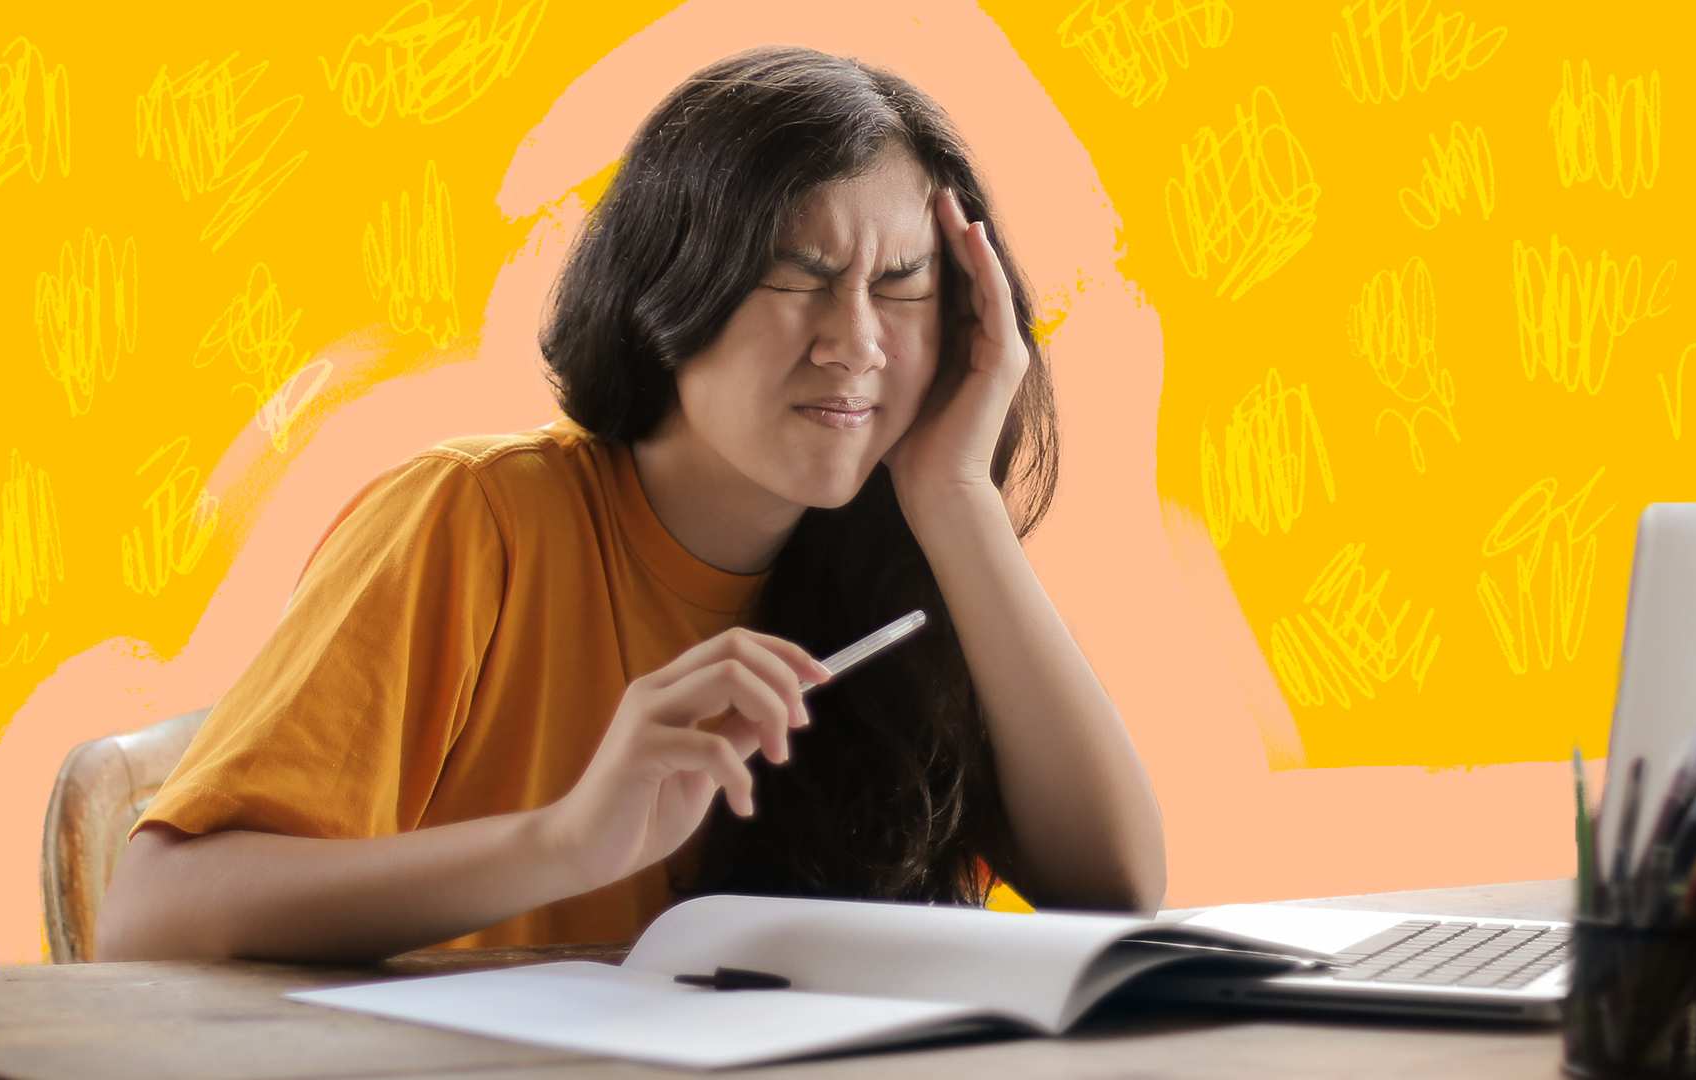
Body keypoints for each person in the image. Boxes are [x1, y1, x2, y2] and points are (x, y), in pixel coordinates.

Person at [96, 45, 1165, 965]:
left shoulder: (906, 556)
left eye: (901, 284)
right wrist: (566, 842)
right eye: (798, 275)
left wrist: (958, 495)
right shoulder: (474, 518)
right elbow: (151, 920)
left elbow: (1112, 889)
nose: (856, 342)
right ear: (670, 285)